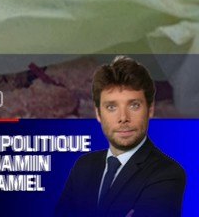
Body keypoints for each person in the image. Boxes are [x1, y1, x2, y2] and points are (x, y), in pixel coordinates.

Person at [54, 56, 186, 217]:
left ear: (150, 110)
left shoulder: (167, 174)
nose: (123, 117)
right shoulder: (84, 166)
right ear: (98, 114)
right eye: (111, 107)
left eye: (134, 105)